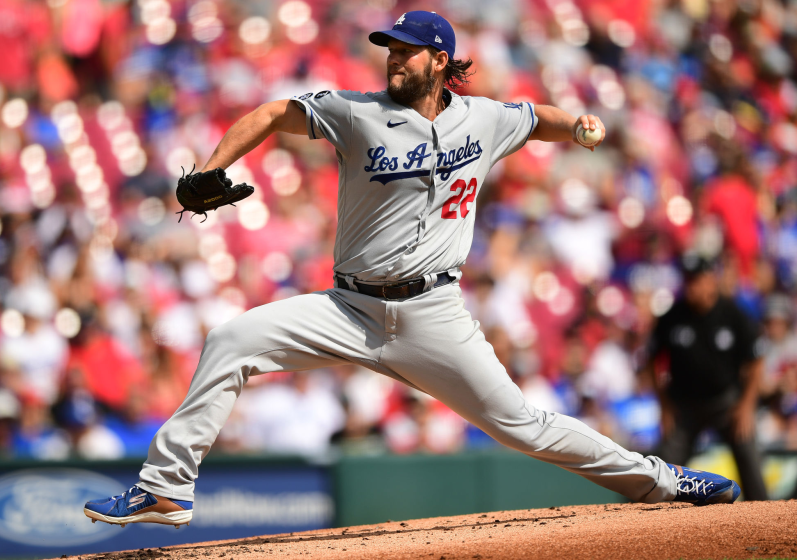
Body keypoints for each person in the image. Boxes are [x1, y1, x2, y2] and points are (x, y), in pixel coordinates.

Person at [84, 12, 740, 528]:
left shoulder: (482, 119)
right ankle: (165, 490)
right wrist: (211, 168)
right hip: (348, 309)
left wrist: (581, 129)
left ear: (441, 61)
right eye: (389, 49)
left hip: (433, 315)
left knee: (523, 425)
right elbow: (270, 113)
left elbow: (537, 117)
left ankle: (665, 480)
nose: (393, 58)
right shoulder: (356, 112)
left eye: (405, 49)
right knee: (231, 340)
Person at [647, 253, 768, 501]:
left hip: (727, 403)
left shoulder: (733, 314)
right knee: (663, 465)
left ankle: (764, 513)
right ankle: (647, 517)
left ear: (712, 280)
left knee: (749, 455)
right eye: (688, 280)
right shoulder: (672, 316)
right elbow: (651, 360)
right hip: (684, 405)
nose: (692, 286)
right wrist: (664, 405)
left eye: (698, 279)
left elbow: (756, 360)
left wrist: (746, 406)